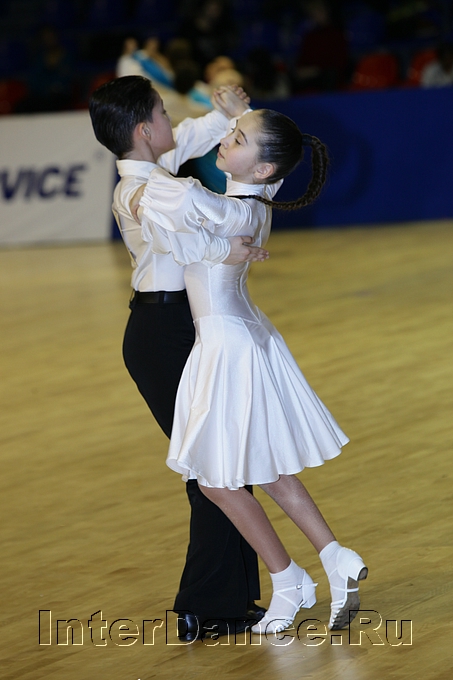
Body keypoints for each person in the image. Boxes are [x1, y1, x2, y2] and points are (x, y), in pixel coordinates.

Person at [134, 106, 368, 634]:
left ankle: (288, 577)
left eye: (238, 139)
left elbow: (167, 195)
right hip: (243, 335)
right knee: (262, 468)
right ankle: (334, 557)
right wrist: (236, 116)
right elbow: (202, 207)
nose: (227, 140)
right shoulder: (253, 203)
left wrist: (138, 170)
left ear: (263, 169)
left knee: (215, 481)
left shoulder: (229, 210)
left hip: (227, 345)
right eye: (233, 134)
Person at [88, 76, 269, 641]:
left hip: (175, 326)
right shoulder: (141, 190)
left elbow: (189, 138)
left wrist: (227, 118)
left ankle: (228, 601)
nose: (172, 120)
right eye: (163, 113)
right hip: (163, 331)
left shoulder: (153, 169)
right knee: (213, 470)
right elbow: (178, 241)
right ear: (145, 130)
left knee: (225, 464)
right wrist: (228, 247)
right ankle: (207, 605)